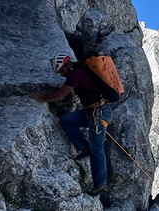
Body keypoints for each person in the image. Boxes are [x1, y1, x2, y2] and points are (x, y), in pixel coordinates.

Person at [29, 52, 111, 196]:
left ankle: (101, 184)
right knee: (67, 120)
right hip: (92, 112)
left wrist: (41, 98)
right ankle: (84, 148)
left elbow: (61, 95)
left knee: (97, 148)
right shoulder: (79, 72)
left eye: (60, 70)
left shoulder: (76, 74)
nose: (60, 74)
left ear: (66, 65)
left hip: (99, 113)